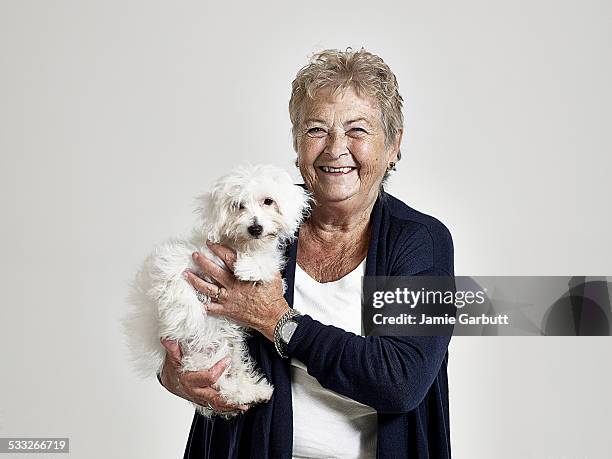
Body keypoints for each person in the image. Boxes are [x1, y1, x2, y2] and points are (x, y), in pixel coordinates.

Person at [159, 47, 454, 458]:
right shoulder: (258, 218)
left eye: (357, 130)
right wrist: (174, 373)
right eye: (317, 129)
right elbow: (189, 310)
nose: (335, 148)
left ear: (393, 145)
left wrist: (279, 322)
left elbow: (401, 381)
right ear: (297, 146)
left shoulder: (421, 242)